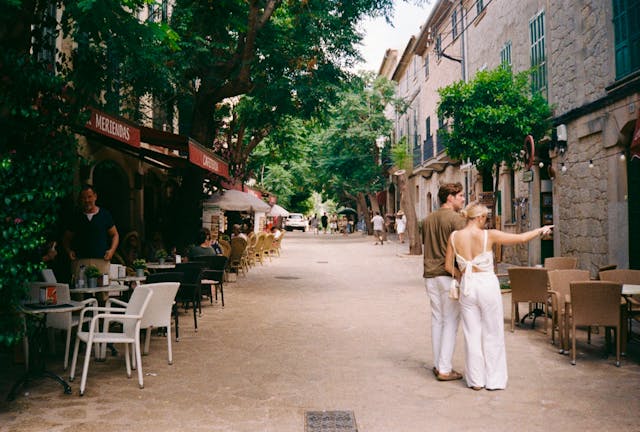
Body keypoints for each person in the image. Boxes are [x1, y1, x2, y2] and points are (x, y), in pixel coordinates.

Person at [445, 203, 553, 391]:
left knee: (472, 334)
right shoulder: (489, 235)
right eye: (485, 218)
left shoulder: (454, 237)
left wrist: (463, 275)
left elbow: (448, 266)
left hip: (467, 287)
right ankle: (494, 380)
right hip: (486, 284)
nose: (485, 221)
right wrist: (540, 230)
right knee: (493, 332)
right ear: (478, 218)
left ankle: (476, 381)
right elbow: (520, 239)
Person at [423, 182, 466, 382]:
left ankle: (438, 363)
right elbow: (463, 248)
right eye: (460, 196)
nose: (463, 199)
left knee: (437, 320)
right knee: (450, 322)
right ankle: (445, 369)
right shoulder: (456, 219)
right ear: (450, 197)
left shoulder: (428, 219)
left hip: (430, 275)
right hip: (449, 275)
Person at [63, 184, 119, 278]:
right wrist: (69, 251)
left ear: (95, 197)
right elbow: (66, 238)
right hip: (80, 261)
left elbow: (115, 235)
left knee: (102, 291)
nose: (87, 200)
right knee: (79, 290)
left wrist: (112, 251)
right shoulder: (76, 216)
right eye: (84, 198)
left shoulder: (105, 215)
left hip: (101, 260)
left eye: (89, 197)